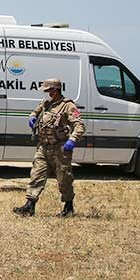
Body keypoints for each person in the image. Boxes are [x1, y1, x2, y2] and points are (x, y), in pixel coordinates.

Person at [13, 78, 86, 217]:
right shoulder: (45, 104)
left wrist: (72, 140)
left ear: (55, 91)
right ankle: (29, 205)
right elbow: (34, 112)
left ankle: (68, 207)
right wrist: (32, 117)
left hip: (60, 149)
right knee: (36, 175)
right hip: (43, 147)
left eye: (49, 91)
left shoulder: (68, 106)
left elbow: (79, 125)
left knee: (64, 179)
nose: (47, 94)